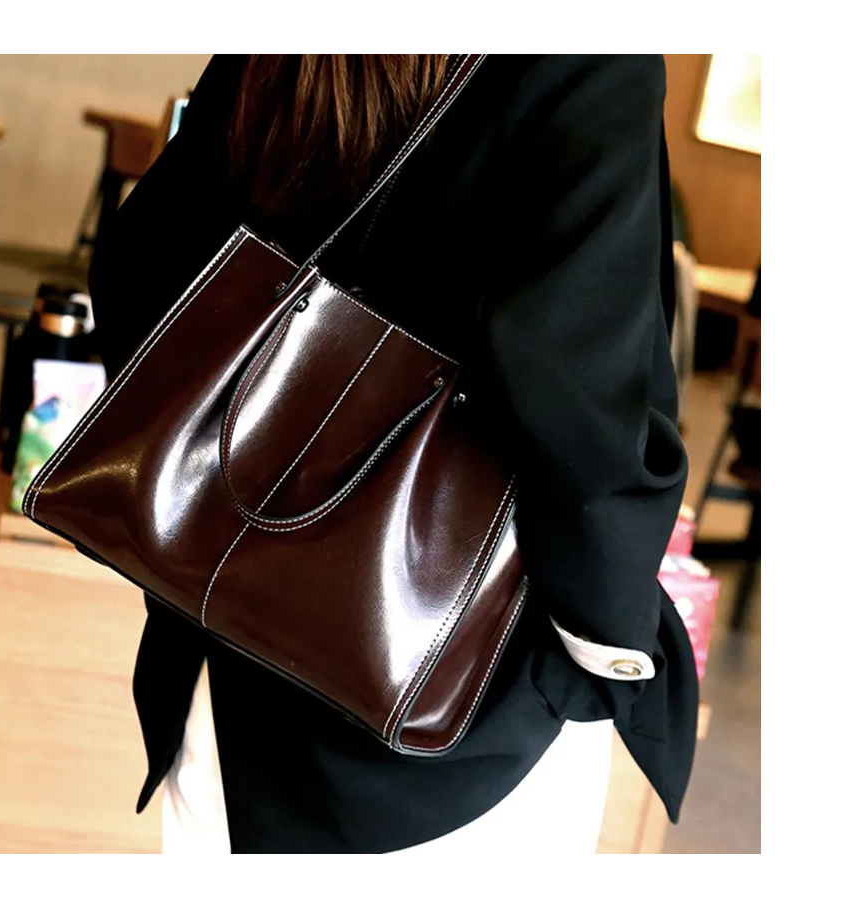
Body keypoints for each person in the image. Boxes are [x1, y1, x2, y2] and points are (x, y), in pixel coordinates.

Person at [88, 54, 698, 855]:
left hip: (217, 684)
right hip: (443, 720)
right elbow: (581, 403)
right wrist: (612, 638)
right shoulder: (589, 58)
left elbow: (145, 267)